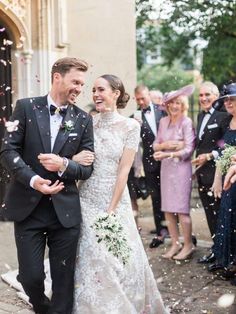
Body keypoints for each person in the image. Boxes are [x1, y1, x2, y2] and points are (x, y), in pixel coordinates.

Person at [0, 57, 94, 314]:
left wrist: (63, 164)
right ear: (57, 77)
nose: (79, 88)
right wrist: (33, 179)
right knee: (30, 278)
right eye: (75, 81)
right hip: (28, 209)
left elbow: (87, 168)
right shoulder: (26, 107)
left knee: (64, 282)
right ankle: (41, 307)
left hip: (65, 212)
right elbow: (8, 151)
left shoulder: (83, 119)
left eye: (82, 84)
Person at [72, 74, 168, 313]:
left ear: (116, 93)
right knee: (89, 250)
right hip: (86, 196)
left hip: (114, 196)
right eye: (93, 90)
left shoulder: (130, 126)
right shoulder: (87, 122)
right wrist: (73, 159)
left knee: (116, 253)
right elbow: (75, 157)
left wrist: (112, 209)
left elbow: (124, 171)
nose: (95, 94)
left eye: (101, 90)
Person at [153, 85, 196, 260]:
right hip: (166, 169)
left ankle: (188, 245)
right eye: (171, 103)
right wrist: (166, 146)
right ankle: (175, 243)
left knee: (182, 211)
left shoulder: (186, 122)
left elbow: (188, 149)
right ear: (167, 105)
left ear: (183, 105)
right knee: (168, 210)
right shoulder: (163, 122)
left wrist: (168, 153)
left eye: (178, 103)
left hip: (181, 170)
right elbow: (155, 145)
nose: (174, 106)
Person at [192, 81, 228, 264]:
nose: (204, 98)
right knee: (209, 214)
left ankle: (224, 255)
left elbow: (227, 146)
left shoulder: (224, 116)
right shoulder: (199, 116)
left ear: (216, 97)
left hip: (218, 176)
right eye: (201, 95)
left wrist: (210, 155)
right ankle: (215, 250)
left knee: (220, 216)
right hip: (202, 174)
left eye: (208, 95)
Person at [134, 85, 168, 248]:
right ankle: (161, 230)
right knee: (156, 197)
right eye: (138, 99)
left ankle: (173, 227)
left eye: (143, 98)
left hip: (169, 160)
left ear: (149, 95)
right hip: (149, 163)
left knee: (170, 195)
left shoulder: (163, 109)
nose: (141, 102)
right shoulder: (135, 115)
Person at [209, 83, 236, 286]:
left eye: (232, 99)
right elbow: (222, 153)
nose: (228, 103)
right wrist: (217, 178)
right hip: (229, 182)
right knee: (228, 219)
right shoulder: (227, 122)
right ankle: (230, 262)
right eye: (226, 99)